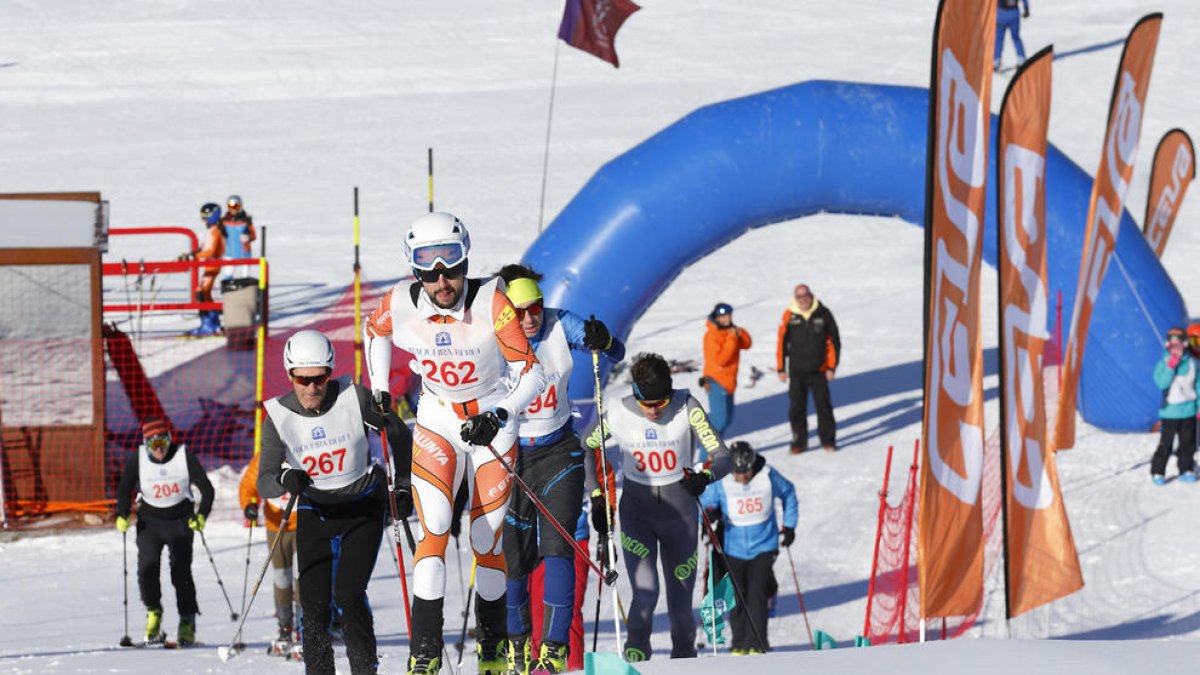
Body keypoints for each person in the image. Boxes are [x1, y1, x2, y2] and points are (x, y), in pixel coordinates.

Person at [363, 212, 547, 675]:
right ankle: (424, 653)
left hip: (490, 420)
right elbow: (375, 332)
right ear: (415, 268)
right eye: (429, 267)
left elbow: (532, 371)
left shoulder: (492, 301)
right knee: (436, 528)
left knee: (486, 538)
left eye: (453, 264)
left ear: (467, 259)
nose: (443, 278)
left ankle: (491, 650)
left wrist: (500, 414)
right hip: (438, 420)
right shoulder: (400, 302)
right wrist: (381, 389)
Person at [494, 264, 625, 675]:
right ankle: (516, 646)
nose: (530, 319)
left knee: (559, 547)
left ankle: (552, 651)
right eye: (520, 312)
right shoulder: (490, 336)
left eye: (535, 308)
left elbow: (614, 352)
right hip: (509, 458)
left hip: (558, 453)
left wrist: (605, 340)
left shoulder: (558, 324)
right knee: (513, 563)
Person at [256, 329, 411, 675]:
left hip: (362, 507)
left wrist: (402, 487)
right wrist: (285, 477)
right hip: (316, 510)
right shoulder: (277, 416)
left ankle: (364, 668)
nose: (312, 388)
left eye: (320, 378)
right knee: (312, 605)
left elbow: (400, 435)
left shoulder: (353, 397)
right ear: (290, 375)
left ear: (329, 373)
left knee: (348, 593)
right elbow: (264, 481)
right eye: (303, 379)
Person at [583, 352, 732, 662]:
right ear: (635, 392)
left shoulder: (687, 407)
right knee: (645, 593)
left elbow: (723, 457)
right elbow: (585, 447)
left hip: (680, 517)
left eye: (661, 403)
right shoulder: (617, 412)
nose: (653, 411)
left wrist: (704, 477)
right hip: (638, 513)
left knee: (680, 605)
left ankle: (684, 660)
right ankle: (637, 658)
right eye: (647, 404)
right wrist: (597, 495)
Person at [114, 416, 215, 646]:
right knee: (146, 570)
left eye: (163, 443)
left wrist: (201, 516)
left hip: (180, 522)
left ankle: (187, 620)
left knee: (180, 572)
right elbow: (125, 487)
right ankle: (153, 612)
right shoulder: (138, 459)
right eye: (153, 445)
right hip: (150, 522)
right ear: (146, 443)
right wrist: (121, 514)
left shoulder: (183, 456)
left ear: (170, 439)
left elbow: (207, 490)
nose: (159, 450)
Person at [699, 441, 797, 654]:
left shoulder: (768, 476)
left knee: (757, 594)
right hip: (733, 549)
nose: (743, 477)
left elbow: (789, 493)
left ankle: (758, 643)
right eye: (738, 472)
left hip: (763, 546)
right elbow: (703, 504)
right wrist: (709, 516)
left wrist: (789, 525)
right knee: (737, 595)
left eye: (747, 471)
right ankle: (740, 643)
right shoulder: (723, 481)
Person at [239, 457, 300, 656]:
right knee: (282, 577)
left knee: (302, 577)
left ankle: (303, 629)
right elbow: (249, 485)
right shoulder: (264, 458)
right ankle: (285, 629)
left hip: (304, 522)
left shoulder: (301, 450)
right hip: (277, 524)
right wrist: (249, 504)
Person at [776, 284, 840, 454]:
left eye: (806, 295)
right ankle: (799, 442)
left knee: (823, 407)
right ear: (795, 299)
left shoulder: (823, 313)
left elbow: (834, 341)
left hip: (819, 370)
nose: (803, 299)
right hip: (797, 371)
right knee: (797, 408)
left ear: (811, 295)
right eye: (799, 296)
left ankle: (828, 441)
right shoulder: (789, 315)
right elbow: (781, 343)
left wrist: (832, 367)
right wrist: (781, 368)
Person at [1151, 327, 1200, 485]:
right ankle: (1158, 471)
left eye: (1178, 345)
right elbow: (1161, 383)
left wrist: (1199, 405)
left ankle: (1186, 468)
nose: (1176, 349)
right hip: (1170, 412)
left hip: (1189, 411)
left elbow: (1198, 385)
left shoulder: (1193, 363)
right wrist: (1170, 367)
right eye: (1172, 346)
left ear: (1185, 345)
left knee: (1188, 443)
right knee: (1166, 444)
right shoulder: (1163, 363)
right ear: (1167, 346)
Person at [701, 302, 752, 436]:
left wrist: (738, 333)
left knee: (726, 420)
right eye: (722, 317)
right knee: (719, 421)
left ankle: (717, 453)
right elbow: (721, 360)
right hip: (717, 382)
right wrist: (733, 337)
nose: (726, 319)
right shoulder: (712, 335)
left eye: (728, 316)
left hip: (728, 383)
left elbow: (747, 344)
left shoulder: (729, 331)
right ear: (716, 318)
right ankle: (706, 453)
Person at [179, 203, 227, 336]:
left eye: (206, 217)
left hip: (213, 265)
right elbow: (204, 248)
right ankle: (212, 323)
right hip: (210, 265)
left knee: (201, 292)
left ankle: (209, 324)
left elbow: (210, 251)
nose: (204, 220)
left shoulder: (215, 232)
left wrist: (194, 256)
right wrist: (192, 254)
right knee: (204, 293)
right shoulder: (212, 231)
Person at [221, 194, 257, 280]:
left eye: (236, 206)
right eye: (230, 206)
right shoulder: (224, 220)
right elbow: (219, 235)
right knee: (227, 276)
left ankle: (245, 292)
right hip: (229, 253)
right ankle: (228, 292)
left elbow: (253, 235)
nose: (233, 209)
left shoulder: (246, 220)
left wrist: (248, 237)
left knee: (245, 278)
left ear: (240, 206)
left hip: (244, 254)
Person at [994, 0, 1030, 72]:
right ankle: (1021, 59)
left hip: (1001, 16)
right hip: (1014, 15)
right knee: (1016, 37)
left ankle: (996, 61)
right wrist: (1026, 8)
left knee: (999, 39)